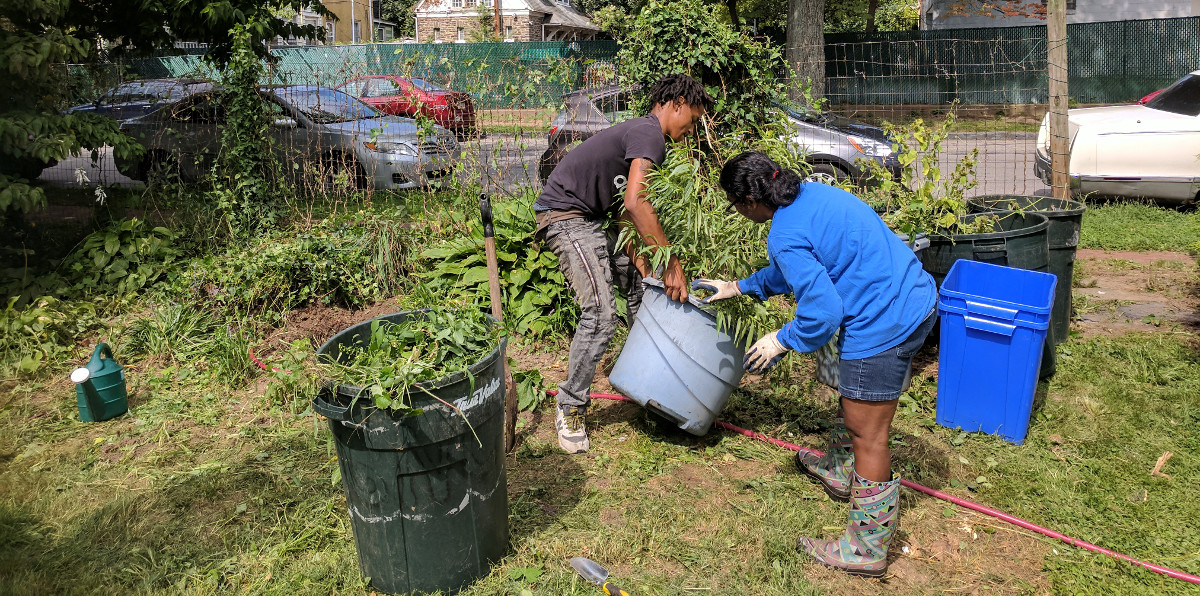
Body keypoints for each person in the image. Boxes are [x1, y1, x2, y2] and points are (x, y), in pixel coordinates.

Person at [692, 150, 937, 578]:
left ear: (750, 199)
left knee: (869, 433)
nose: (736, 212)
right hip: (911, 295)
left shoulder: (782, 233)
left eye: (734, 204)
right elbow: (801, 269)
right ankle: (842, 473)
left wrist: (781, 340)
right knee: (854, 399)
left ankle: (866, 548)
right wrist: (737, 287)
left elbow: (822, 312)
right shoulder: (811, 197)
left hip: (885, 318)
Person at [534, 73, 714, 454]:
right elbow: (637, 202)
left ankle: (647, 384)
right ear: (676, 103)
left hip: (595, 219)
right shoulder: (650, 134)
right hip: (565, 218)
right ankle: (570, 405)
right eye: (693, 120)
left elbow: (622, 210)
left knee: (641, 291)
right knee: (600, 314)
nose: (692, 129)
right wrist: (669, 264)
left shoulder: (643, 135)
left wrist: (645, 264)